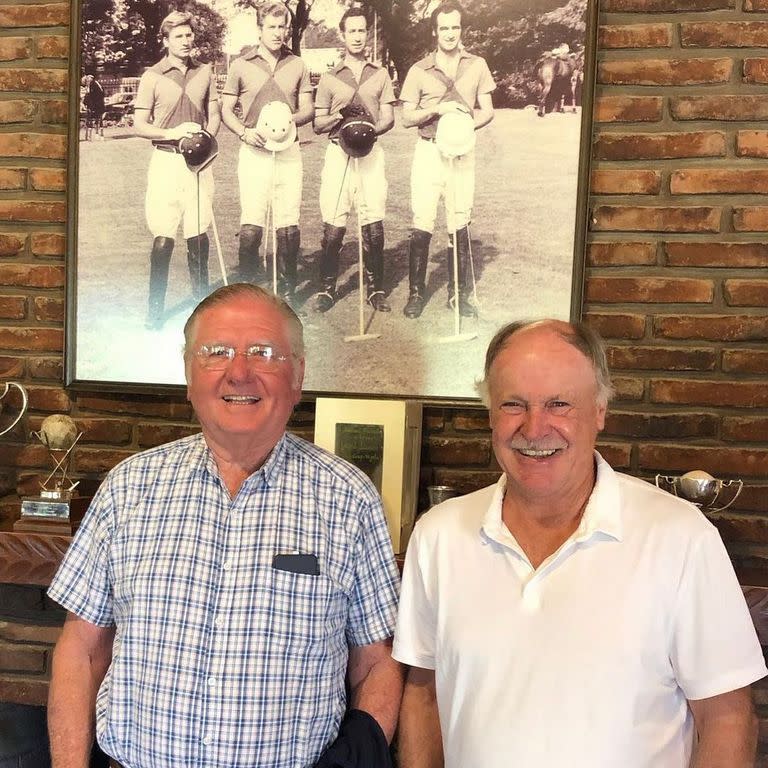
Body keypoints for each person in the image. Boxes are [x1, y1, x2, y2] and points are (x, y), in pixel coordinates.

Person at [47, 282, 404, 768]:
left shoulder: (350, 498)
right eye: (216, 352)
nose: (239, 373)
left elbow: (377, 664)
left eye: (264, 353)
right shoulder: (128, 488)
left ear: (297, 374)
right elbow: (81, 649)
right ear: (189, 374)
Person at [394, 319, 766, 768]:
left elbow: (726, 716)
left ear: (600, 411)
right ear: (490, 412)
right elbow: (424, 692)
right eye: (514, 404)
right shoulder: (438, 535)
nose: (534, 428)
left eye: (559, 404)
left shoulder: (681, 537)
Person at [398, 0, 495, 319]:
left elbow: (487, 110)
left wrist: (463, 126)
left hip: (462, 151)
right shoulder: (419, 69)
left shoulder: (477, 64)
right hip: (428, 151)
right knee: (422, 220)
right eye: (444, 28)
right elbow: (407, 118)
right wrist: (437, 111)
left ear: (461, 29)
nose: (450, 33)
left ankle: (459, 295)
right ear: (434, 31)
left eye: (455, 27)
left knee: (460, 220)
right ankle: (415, 294)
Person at [133, 11, 221, 330]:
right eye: (179, 36)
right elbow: (140, 125)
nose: (186, 41)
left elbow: (214, 115)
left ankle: (202, 311)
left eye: (188, 35)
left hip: (199, 163)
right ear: (165, 40)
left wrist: (206, 136)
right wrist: (173, 133)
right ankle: (154, 311)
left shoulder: (206, 72)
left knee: (198, 233)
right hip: (166, 162)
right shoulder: (153, 76)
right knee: (164, 236)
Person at [221, 3, 313, 307]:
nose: (278, 33)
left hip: (289, 152)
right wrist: (244, 132)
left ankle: (288, 292)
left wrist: (286, 123)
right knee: (252, 221)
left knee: (288, 220)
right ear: (260, 28)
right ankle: (249, 291)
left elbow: (308, 110)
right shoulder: (240, 64)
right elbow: (226, 110)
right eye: (272, 27)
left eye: (282, 27)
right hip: (253, 151)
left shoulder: (297, 64)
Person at [312, 7, 396, 314]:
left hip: (371, 155)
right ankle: (326, 288)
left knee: (373, 220)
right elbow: (318, 124)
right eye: (352, 31)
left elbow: (389, 117)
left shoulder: (380, 74)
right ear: (343, 35)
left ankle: (377, 290)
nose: (358, 37)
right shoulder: (330, 77)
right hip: (338, 153)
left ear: (367, 34)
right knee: (335, 221)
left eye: (362, 31)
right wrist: (340, 115)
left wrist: (369, 130)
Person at [82, 73, 105, 141]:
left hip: (95, 105)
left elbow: (90, 95)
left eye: (88, 80)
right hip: (99, 104)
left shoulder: (92, 84)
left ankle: (91, 136)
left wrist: (85, 103)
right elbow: (102, 93)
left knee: (93, 119)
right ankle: (99, 135)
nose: (87, 82)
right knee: (99, 119)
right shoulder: (97, 84)